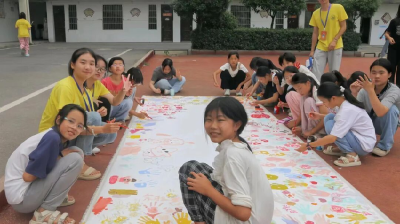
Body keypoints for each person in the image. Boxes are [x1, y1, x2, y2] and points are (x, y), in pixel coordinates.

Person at [179, 97, 274, 224]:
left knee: (189, 169)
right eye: (208, 120)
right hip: (258, 218)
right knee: (202, 169)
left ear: (237, 124)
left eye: (220, 120)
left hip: (244, 220)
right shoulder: (239, 145)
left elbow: (243, 213)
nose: (212, 126)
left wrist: (209, 190)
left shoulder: (233, 154)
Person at [39, 48, 121, 180]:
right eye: (83, 62)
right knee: (94, 118)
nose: (88, 67)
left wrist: (123, 90)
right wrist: (101, 128)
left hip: (68, 133)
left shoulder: (85, 88)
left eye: (91, 64)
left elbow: (114, 102)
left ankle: (75, 153)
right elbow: (66, 125)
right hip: (54, 137)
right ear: (73, 65)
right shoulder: (66, 87)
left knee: (109, 131)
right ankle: (76, 161)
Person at [5, 104, 87, 224]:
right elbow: (28, 177)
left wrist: (58, 157)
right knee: (75, 159)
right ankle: (44, 213)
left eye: (79, 126)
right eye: (71, 121)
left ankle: (53, 197)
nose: (74, 127)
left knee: (76, 152)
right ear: (59, 119)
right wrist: (57, 158)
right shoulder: (52, 139)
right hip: (22, 200)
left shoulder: (54, 136)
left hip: (25, 194)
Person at [296, 83, 376, 167]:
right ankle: (345, 149)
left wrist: (309, 145)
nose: (324, 104)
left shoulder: (347, 110)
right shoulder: (344, 103)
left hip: (363, 145)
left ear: (333, 98)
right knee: (329, 117)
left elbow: (332, 137)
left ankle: (352, 155)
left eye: (324, 101)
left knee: (330, 125)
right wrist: (320, 116)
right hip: (358, 137)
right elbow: (339, 119)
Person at [355, 59, 400, 156]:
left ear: (389, 75)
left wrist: (370, 91)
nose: (377, 76)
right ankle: (354, 141)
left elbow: (381, 112)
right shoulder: (365, 87)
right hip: (367, 122)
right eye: (373, 72)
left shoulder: (394, 90)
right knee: (331, 118)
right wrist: (353, 93)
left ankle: (384, 146)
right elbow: (354, 109)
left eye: (381, 72)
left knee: (391, 110)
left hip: (383, 123)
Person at [309, 0, 348, 80]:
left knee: (334, 72)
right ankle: (316, 90)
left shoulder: (338, 8)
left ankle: (333, 90)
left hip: (335, 46)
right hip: (320, 46)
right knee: (316, 72)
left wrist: (335, 40)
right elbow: (315, 33)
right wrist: (312, 50)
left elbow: (343, 27)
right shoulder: (315, 13)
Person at [86, 55, 127, 124]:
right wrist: (90, 99)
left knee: (105, 101)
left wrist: (123, 90)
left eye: (103, 69)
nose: (99, 71)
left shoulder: (98, 84)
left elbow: (114, 101)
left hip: (92, 117)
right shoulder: (76, 83)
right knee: (94, 104)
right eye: (96, 67)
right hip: (78, 120)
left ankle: (103, 125)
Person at [291, 73, 328, 138]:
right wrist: (302, 128)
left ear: (308, 83)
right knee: (304, 99)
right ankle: (306, 129)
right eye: (296, 90)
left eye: (300, 88)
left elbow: (325, 117)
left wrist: (311, 132)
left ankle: (317, 133)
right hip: (317, 123)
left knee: (309, 101)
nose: (299, 92)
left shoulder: (317, 93)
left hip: (328, 125)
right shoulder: (305, 95)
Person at [385, 5, 400, 86]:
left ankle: (398, 88)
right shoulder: (394, 21)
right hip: (393, 49)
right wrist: (389, 38)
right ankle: (389, 86)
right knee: (391, 68)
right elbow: (387, 33)